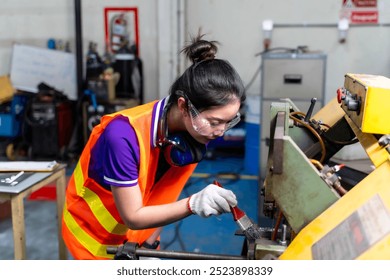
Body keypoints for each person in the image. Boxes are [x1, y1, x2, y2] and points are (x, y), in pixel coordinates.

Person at [62, 32, 246, 259]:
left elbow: (165, 194)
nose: (220, 132)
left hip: (136, 243)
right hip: (94, 240)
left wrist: (148, 246)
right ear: (184, 106)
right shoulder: (122, 136)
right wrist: (192, 204)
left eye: (229, 122)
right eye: (215, 122)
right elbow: (133, 216)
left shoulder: (192, 137)